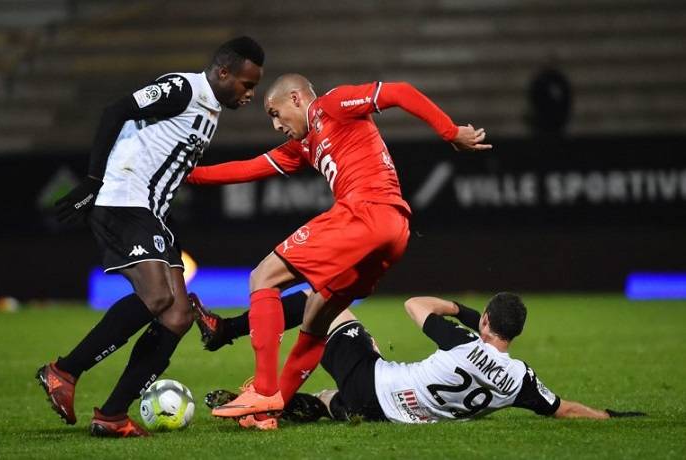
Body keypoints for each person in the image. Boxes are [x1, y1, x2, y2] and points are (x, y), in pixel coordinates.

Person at [187, 74, 492, 429]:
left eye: (275, 112)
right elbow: (248, 168)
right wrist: (190, 176)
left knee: (263, 277)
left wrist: (449, 131)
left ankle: (265, 389)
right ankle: (271, 410)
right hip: (394, 231)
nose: (275, 125)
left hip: (365, 213)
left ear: (298, 98)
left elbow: (399, 92)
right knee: (317, 315)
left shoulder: (331, 106)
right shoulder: (304, 146)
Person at [35, 36, 275, 438]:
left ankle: (112, 414)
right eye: (246, 84)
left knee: (178, 316)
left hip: (153, 215)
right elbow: (116, 111)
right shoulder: (182, 89)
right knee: (157, 297)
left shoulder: (211, 111)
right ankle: (64, 371)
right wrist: (93, 182)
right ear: (222, 72)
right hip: (124, 200)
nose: (250, 94)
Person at [193, 293, 645, 424]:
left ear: (487, 322)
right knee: (337, 393)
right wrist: (610, 414)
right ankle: (308, 406)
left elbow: (415, 305)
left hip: (375, 386)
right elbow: (562, 407)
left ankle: (226, 333)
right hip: (391, 414)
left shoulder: (464, 343)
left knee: (323, 302)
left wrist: (466, 314)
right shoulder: (519, 381)